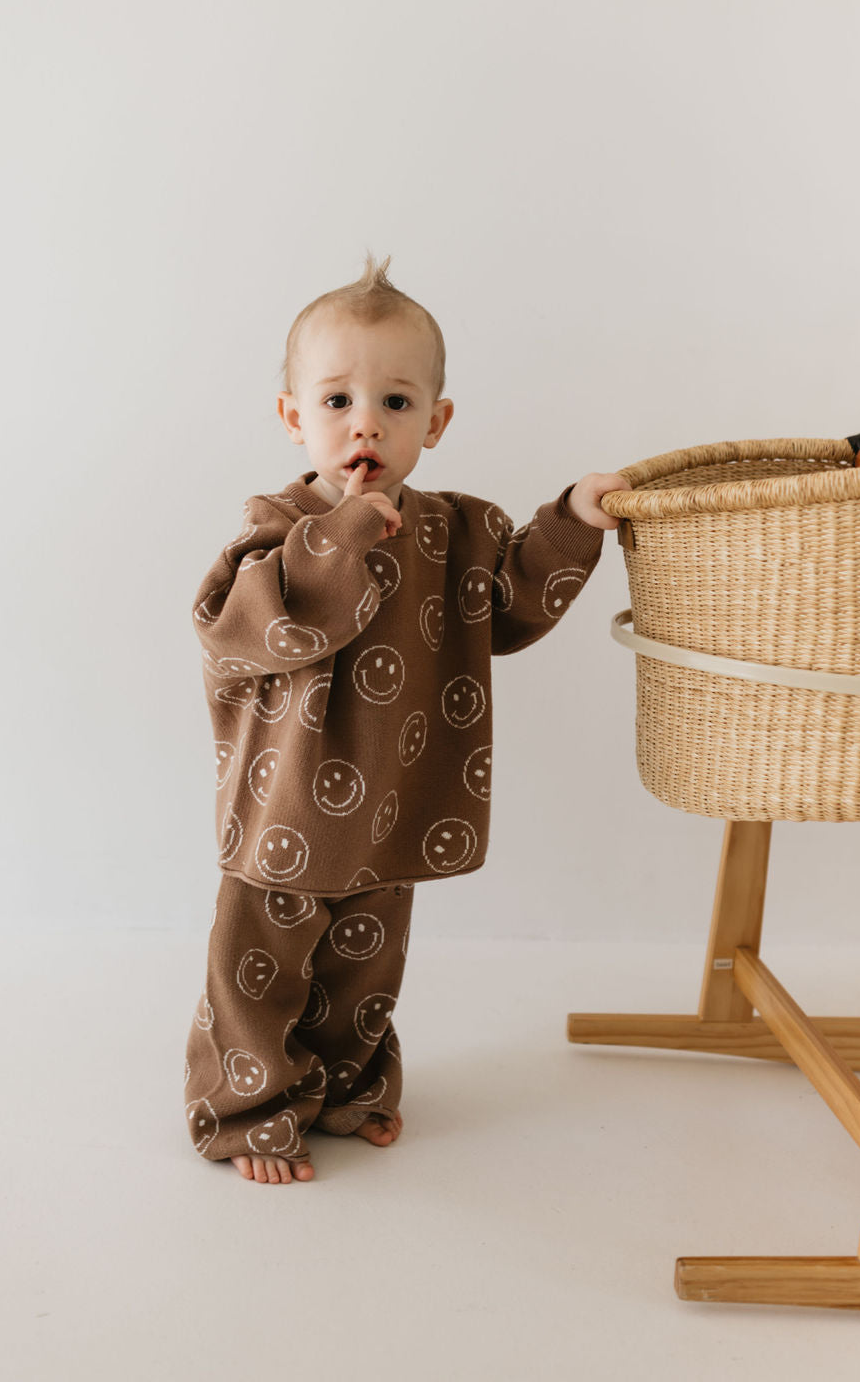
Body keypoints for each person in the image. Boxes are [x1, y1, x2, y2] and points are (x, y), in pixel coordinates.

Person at [184, 255, 629, 1183]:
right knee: (260, 970)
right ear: (293, 416)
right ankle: (251, 1107)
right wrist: (343, 530)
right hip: (289, 812)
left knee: (363, 970)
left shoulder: (455, 529)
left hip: (394, 801)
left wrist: (576, 519)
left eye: (394, 401)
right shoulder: (276, 528)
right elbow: (242, 624)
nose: (364, 424)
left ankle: (345, 1085)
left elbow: (507, 607)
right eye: (338, 399)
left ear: (435, 418)